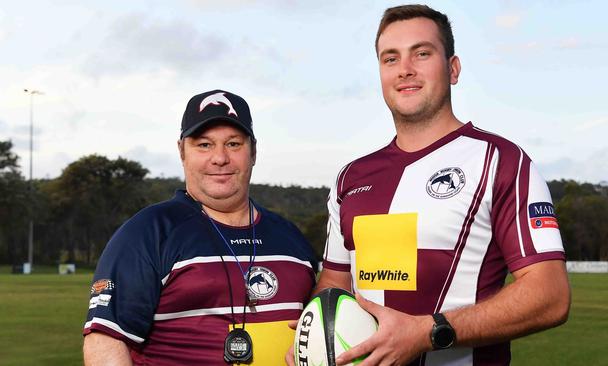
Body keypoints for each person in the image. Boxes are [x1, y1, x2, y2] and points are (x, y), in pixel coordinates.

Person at [295, 5, 571, 366]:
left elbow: (550, 295)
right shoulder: (352, 177)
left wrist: (428, 332)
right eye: (390, 59)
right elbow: (334, 283)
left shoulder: (501, 161)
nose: (405, 69)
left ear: (453, 69)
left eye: (422, 53)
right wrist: (312, 339)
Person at [83, 89, 318, 365]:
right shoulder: (147, 233)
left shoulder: (291, 238)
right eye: (204, 145)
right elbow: (106, 341)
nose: (219, 158)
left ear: (253, 152)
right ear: (182, 151)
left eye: (233, 144)